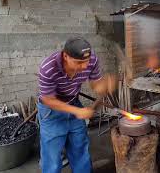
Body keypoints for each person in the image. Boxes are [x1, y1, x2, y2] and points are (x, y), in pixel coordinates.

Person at [37, 37, 115, 173]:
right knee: (52, 159)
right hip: (51, 112)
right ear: (65, 56)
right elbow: (48, 100)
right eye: (79, 62)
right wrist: (77, 111)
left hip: (73, 102)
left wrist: (104, 86)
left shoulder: (92, 60)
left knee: (80, 150)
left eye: (86, 61)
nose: (84, 66)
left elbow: (95, 84)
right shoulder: (48, 67)